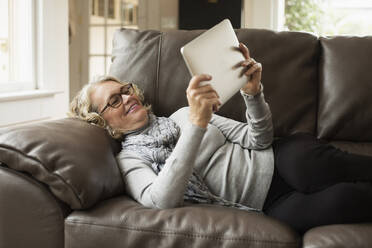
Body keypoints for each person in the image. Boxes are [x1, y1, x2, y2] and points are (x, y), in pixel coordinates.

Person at [69, 42, 372, 234]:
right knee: (342, 201)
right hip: (267, 202)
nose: (126, 98)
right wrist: (197, 124)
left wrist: (252, 93)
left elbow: (260, 138)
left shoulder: (181, 113)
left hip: (279, 157)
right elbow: (161, 200)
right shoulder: (130, 160)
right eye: (113, 101)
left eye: (125, 89)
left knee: (311, 168)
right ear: (102, 122)